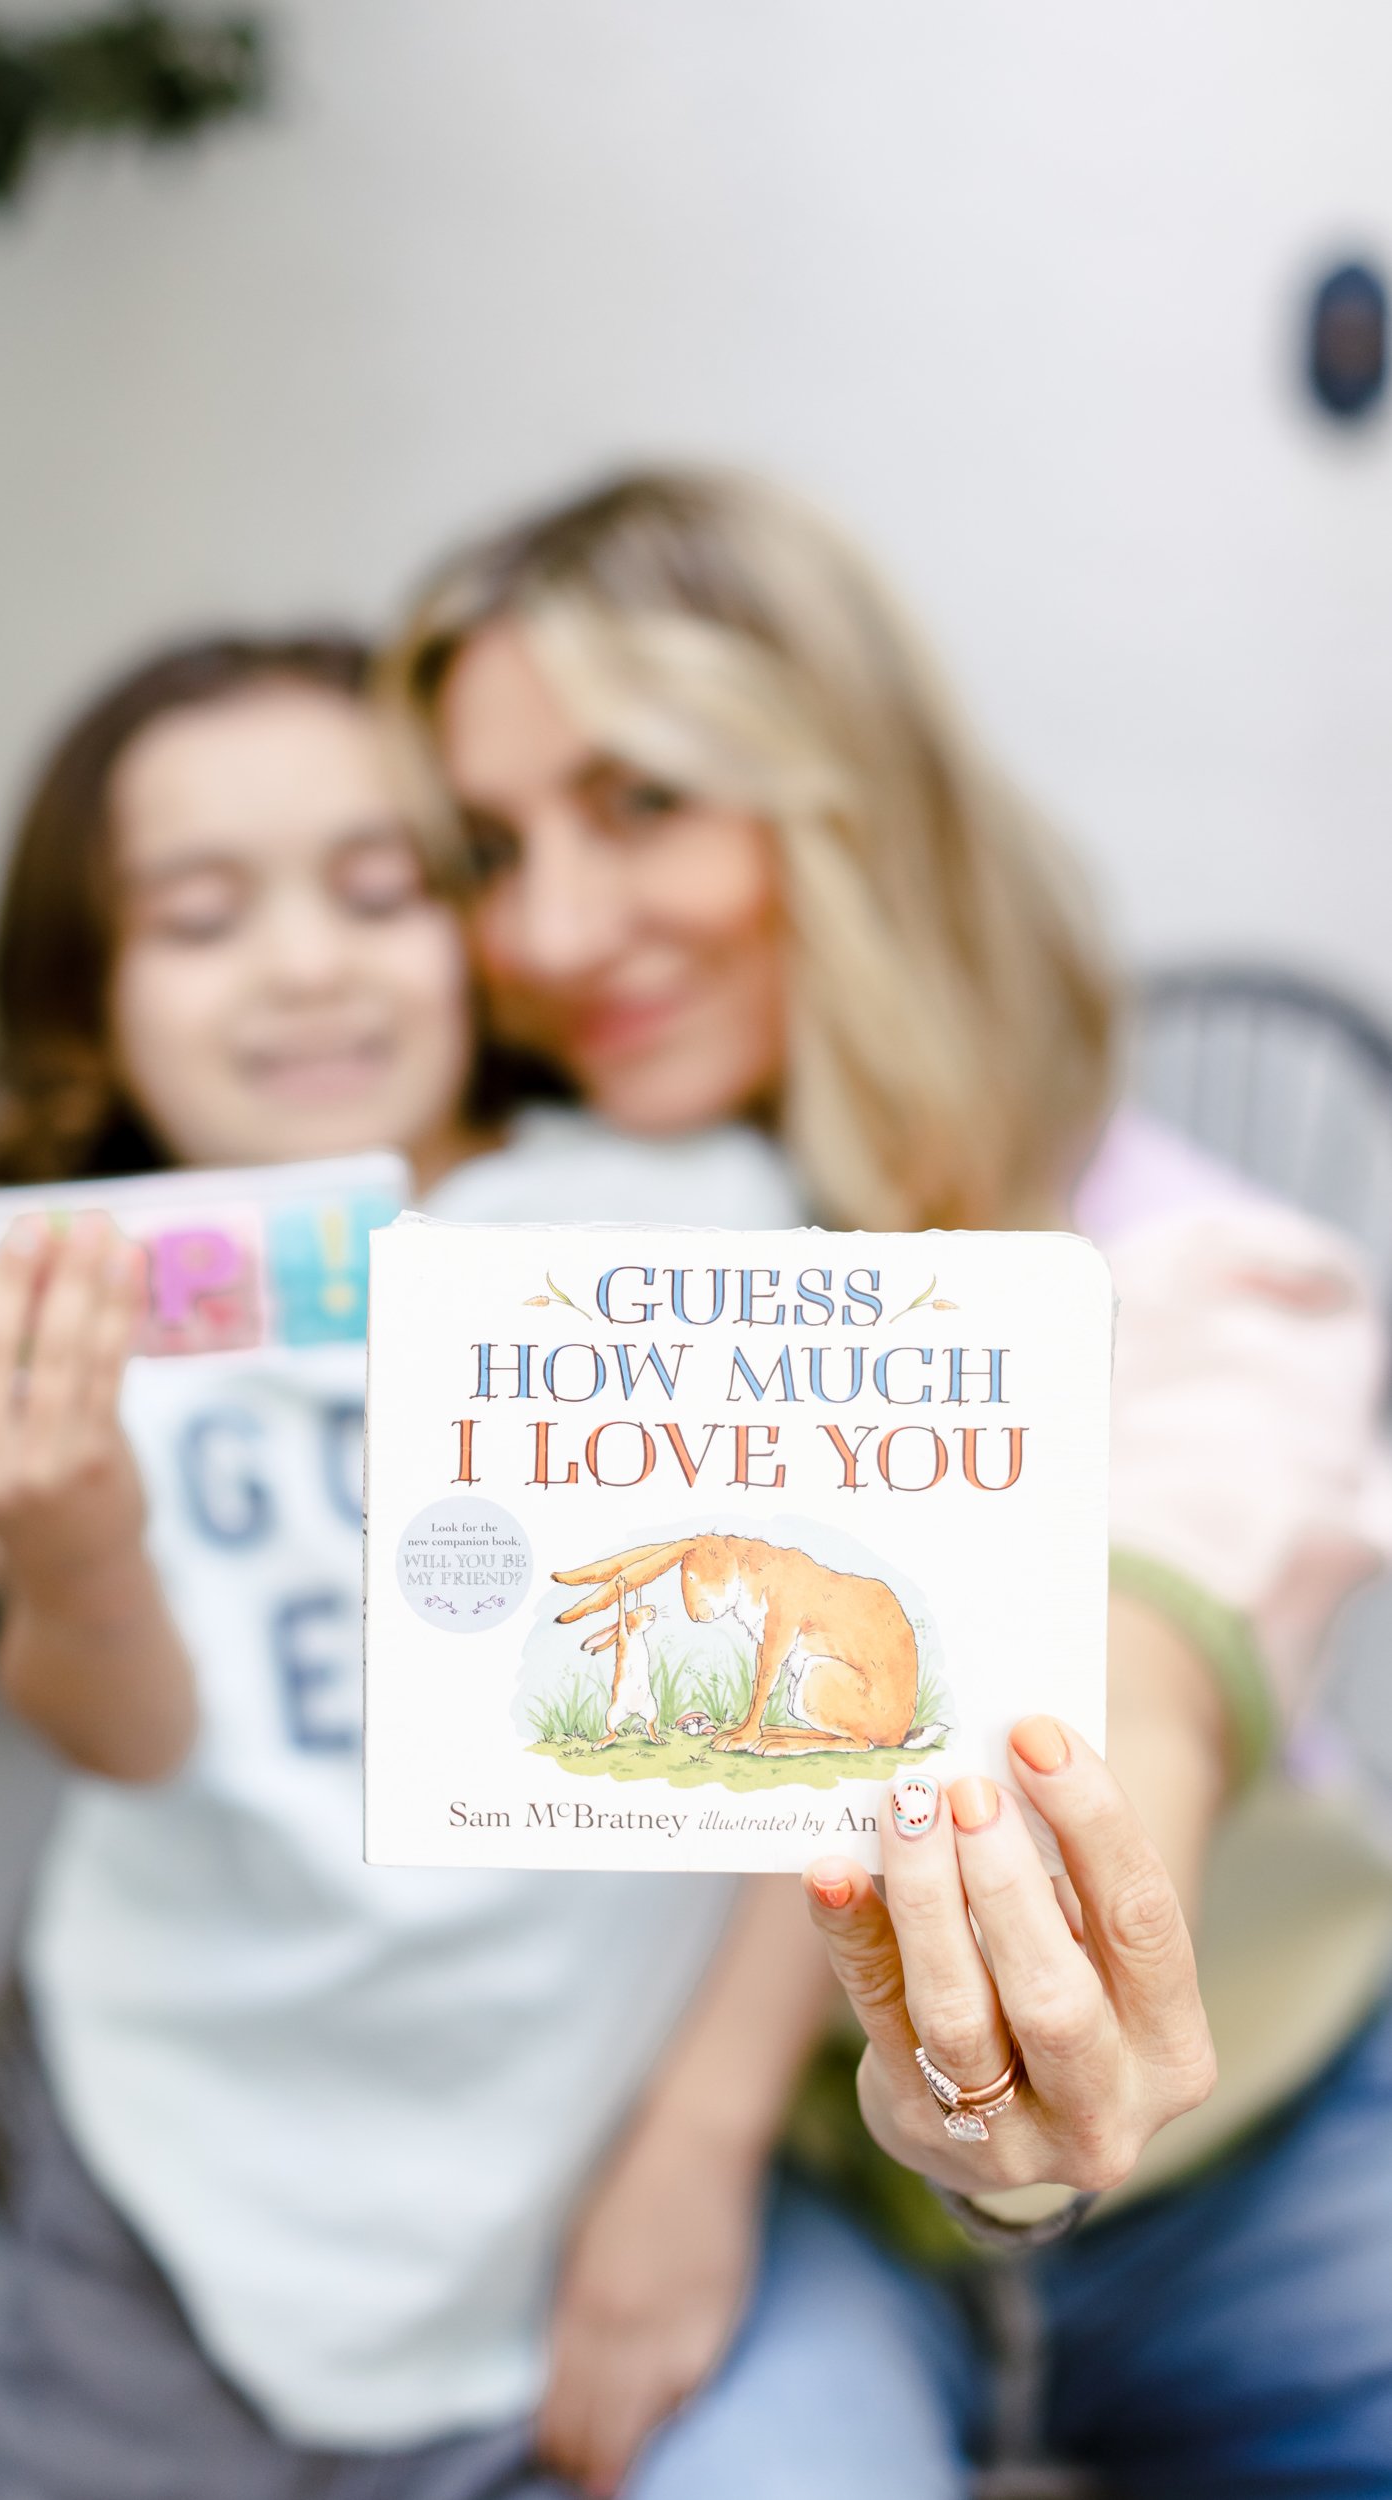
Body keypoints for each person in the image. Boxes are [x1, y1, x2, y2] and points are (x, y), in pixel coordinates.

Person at [387, 468, 1392, 2497]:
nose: (552, 930)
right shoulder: (489, 1276)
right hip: (805, 2223)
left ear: (846, 795)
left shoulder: (1207, 1292)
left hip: (1266, 2140)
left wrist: (1040, 2031)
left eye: (642, 801)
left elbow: (1137, 1666)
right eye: (494, 848)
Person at [0, 630, 870, 2500]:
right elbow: (124, 1736)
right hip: (164, 2186)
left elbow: (831, 1762)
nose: (308, 965)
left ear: (476, 937)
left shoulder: (678, 1221)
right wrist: (76, 1553)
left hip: (562, 2184)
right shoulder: (45, 1306)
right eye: (199, 916)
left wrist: (698, 2144)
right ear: (90, 1002)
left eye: (378, 889)